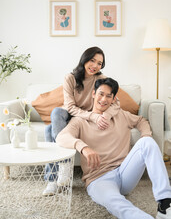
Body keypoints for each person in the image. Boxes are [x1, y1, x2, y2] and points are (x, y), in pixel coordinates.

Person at [56, 77, 171, 219]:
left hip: (125, 172)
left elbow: (142, 121)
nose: (103, 99)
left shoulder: (120, 114)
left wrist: (145, 135)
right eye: (101, 94)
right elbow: (61, 137)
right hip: (98, 179)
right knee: (117, 204)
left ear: (113, 99)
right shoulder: (80, 121)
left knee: (147, 142)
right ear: (93, 94)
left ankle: (165, 205)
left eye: (108, 96)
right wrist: (84, 147)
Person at [43, 46, 114, 196]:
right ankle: (64, 165)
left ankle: (52, 180)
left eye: (99, 63)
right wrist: (92, 116)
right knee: (56, 112)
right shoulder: (70, 78)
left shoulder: (101, 79)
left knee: (48, 131)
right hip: (69, 114)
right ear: (84, 59)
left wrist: (102, 116)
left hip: (83, 119)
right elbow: (69, 106)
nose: (95, 66)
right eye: (92, 60)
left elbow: (116, 102)